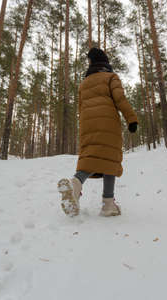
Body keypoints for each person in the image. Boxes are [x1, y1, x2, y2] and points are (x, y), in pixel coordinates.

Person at [58, 48, 138, 217]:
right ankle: (107, 204)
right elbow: (120, 99)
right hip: (108, 123)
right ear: (105, 63)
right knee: (109, 160)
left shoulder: (84, 83)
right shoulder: (111, 78)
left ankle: (76, 185)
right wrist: (131, 119)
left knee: (91, 159)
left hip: (88, 125)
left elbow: (80, 108)